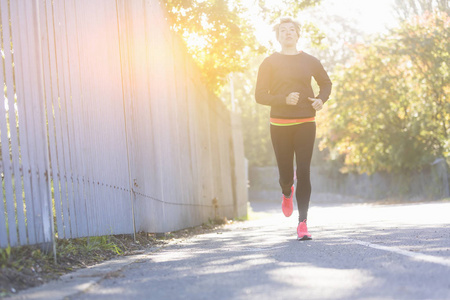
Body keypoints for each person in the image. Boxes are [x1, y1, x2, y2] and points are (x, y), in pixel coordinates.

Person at [255, 17, 332, 240]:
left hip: (306, 120)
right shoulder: (269, 63)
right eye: (283, 30)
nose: (287, 33)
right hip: (279, 123)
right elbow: (260, 95)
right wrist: (283, 99)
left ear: (298, 34)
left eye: (291, 30)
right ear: (278, 36)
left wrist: (321, 100)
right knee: (286, 173)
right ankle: (286, 191)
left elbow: (326, 84)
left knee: (305, 171)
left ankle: (303, 223)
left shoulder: (310, 60)